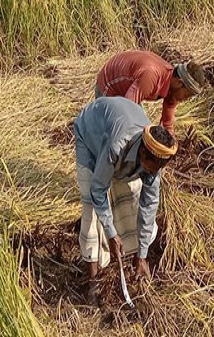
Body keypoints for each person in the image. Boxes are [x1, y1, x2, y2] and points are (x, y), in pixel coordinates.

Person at [74, 97, 177, 303]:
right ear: (142, 152)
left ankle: (129, 257)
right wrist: (111, 233)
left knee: (131, 198)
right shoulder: (117, 146)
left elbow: (148, 206)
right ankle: (93, 280)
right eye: (150, 166)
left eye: (157, 169)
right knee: (91, 208)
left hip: (117, 128)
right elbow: (98, 190)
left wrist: (143, 255)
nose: (152, 173)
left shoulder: (154, 160)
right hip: (90, 132)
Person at [96, 51, 206, 133]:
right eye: (186, 95)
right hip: (110, 86)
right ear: (179, 82)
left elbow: (167, 123)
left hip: (129, 91)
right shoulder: (151, 76)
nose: (183, 100)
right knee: (118, 134)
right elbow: (127, 111)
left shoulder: (172, 87)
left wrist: (170, 141)